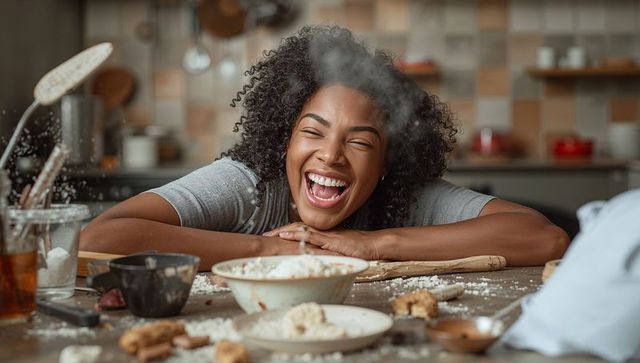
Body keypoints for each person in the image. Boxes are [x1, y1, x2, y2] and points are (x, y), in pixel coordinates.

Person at [80, 25, 569, 269]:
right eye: (312, 132)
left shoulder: (403, 196)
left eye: (359, 141)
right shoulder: (250, 183)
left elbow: (543, 238)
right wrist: (268, 250)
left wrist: (374, 244)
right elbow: (100, 237)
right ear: (284, 138)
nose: (331, 155)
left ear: (386, 162)